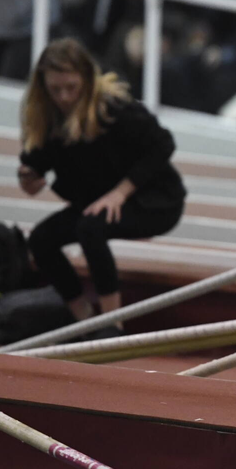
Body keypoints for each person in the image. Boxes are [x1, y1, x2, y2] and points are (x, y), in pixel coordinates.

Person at [17, 39, 185, 333]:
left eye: (71, 87)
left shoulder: (113, 107)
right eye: (55, 90)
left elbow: (164, 144)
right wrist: (28, 180)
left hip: (156, 201)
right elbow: (34, 171)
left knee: (90, 227)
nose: (65, 97)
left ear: (87, 79)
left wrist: (120, 194)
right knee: (41, 240)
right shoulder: (47, 117)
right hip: (97, 201)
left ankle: (112, 326)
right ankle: (82, 321)